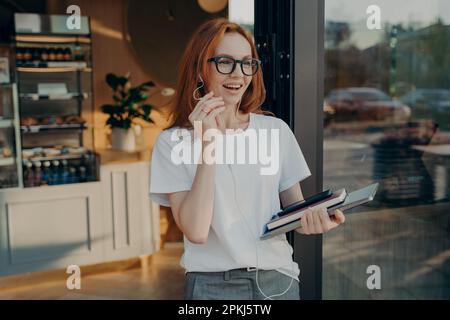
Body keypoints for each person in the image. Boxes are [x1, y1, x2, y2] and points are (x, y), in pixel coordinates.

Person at [149, 18, 345, 300]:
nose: (238, 74)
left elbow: (294, 209)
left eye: (247, 63)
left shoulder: (274, 131)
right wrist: (208, 144)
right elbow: (196, 230)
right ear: (200, 68)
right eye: (225, 62)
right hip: (212, 286)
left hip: (278, 280)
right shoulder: (172, 143)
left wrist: (315, 220)